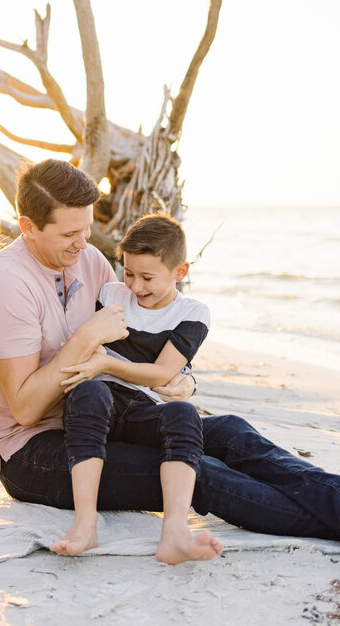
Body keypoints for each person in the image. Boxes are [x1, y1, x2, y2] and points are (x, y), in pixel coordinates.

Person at [0, 158, 340, 563]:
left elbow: (137, 340)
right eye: (69, 233)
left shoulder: (84, 259)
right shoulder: (7, 285)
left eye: (87, 228)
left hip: (107, 411)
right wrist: (86, 335)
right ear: (27, 226)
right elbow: (24, 408)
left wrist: (179, 380)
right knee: (201, 472)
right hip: (36, 453)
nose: (84, 242)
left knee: (229, 433)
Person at [51, 213, 221, 562]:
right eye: (128, 273)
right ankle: (86, 524)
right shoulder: (110, 294)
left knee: (183, 414)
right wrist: (102, 366)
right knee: (90, 391)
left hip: (143, 409)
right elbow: (85, 343)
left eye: (147, 277)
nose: (136, 286)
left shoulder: (193, 314)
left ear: (180, 272)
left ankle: (174, 532)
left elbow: (161, 374)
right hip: (96, 406)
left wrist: (108, 363)